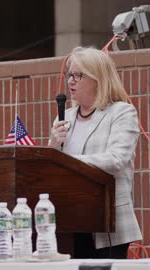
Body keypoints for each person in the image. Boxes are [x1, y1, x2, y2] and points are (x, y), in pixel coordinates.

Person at [48, 47, 142, 259]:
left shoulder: (121, 112)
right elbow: (53, 170)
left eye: (78, 75)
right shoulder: (65, 117)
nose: (70, 81)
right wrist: (53, 146)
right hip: (69, 222)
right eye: (69, 75)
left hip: (106, 222)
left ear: (98, 78)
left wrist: (68, 162)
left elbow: (117, 160)